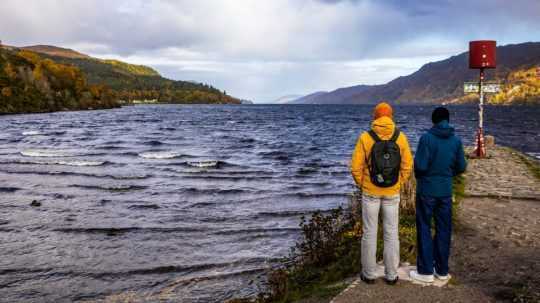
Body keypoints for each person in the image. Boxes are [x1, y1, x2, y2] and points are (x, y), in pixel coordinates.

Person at [351, 102, 413, 285]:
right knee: (391, 232)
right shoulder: (400, 137)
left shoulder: (365, 137)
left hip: (370, 192)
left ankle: (369, 274)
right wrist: (398, 183)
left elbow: (355, 167)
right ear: (391, 116)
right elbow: (408, 165)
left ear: (375, 117)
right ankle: (392, 274)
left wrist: (364, 184)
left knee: (369, 232)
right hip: (392, 193)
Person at [410, 107, 467, 283]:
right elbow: (462, 166)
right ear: (447, 120)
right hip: (445, 192)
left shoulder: (426, 138)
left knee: (424, 229)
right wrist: (448, 175)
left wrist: (422, 178)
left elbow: (420, 166)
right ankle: (442, 270)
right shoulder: (456, 141)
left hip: (426, 191)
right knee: (444, 230)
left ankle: (426, 271)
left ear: (433, 120)